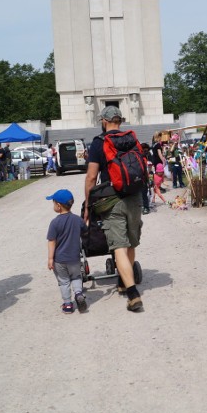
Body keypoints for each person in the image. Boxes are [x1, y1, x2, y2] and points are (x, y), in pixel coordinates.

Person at [84, 105, 144, 312]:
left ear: (104, 120)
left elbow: (92, 176)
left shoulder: (99, 143)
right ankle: (122, 280)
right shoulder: (132, 139)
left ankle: (133, 294)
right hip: (135, 196)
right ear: (120, 120)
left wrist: (88, 205)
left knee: (118, 245)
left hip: (112, 199)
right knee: (131, 243)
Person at [46, 189, 87, 314]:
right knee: (76, 277)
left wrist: (50, 259)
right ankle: (79, 293)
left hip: (60, 260)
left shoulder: (54, 223)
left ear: (58, 205)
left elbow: (52, 241)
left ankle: (68, 305)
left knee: (63, 282)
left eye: (53, 203)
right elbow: (85, 231)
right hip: (74, 258)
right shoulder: (77, 220)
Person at [140, 143, 152, 214]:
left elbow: (150, 169)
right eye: (144, 150)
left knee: (144, 193)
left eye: (146, 150)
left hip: (145, 177)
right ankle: (142, 206)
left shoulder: (147, 157)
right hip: (139, 177)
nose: (145, 152)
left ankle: (146, 207)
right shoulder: (138, 157)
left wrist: (150, 179)